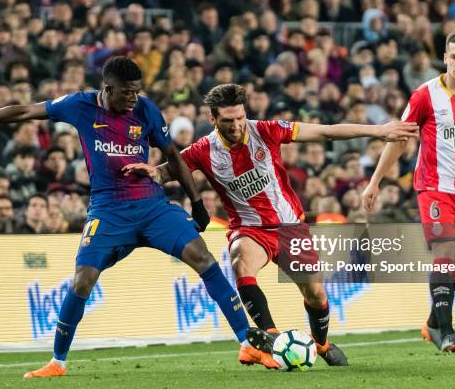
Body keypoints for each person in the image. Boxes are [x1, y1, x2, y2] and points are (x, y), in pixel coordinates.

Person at [0, 57, 273, 378]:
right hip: (108, 210)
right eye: (127, 91)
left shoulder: (145, 110)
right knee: (83, 279)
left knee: (203, 258)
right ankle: (57, 361)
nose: (134, 98)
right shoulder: (79, 105)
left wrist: (196, 204)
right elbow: (25, 110)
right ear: (108, 88)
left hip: (152, 206)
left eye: (138, 90)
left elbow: (173, 155)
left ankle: (247, 342)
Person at [124, 83, 419, 366]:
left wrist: (379, 130)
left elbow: (326, 132)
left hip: (291, 226)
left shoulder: (265, 130)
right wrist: (152, 171)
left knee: (315, 294)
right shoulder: (203, 150)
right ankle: (272, 339)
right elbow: (167, 172)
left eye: (240, 117)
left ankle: (322, 344)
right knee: (240, 263)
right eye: (228, 120)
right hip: (249, 229)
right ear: (212, 118)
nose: (237, 125)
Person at [361, 32, 455, 353]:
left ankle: (432, 323)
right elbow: (399, 140)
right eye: (454, 57)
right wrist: (375, 181)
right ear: (445, 58)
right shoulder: (424, 95)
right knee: (444, 252)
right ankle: (447, 332)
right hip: (433, 187)